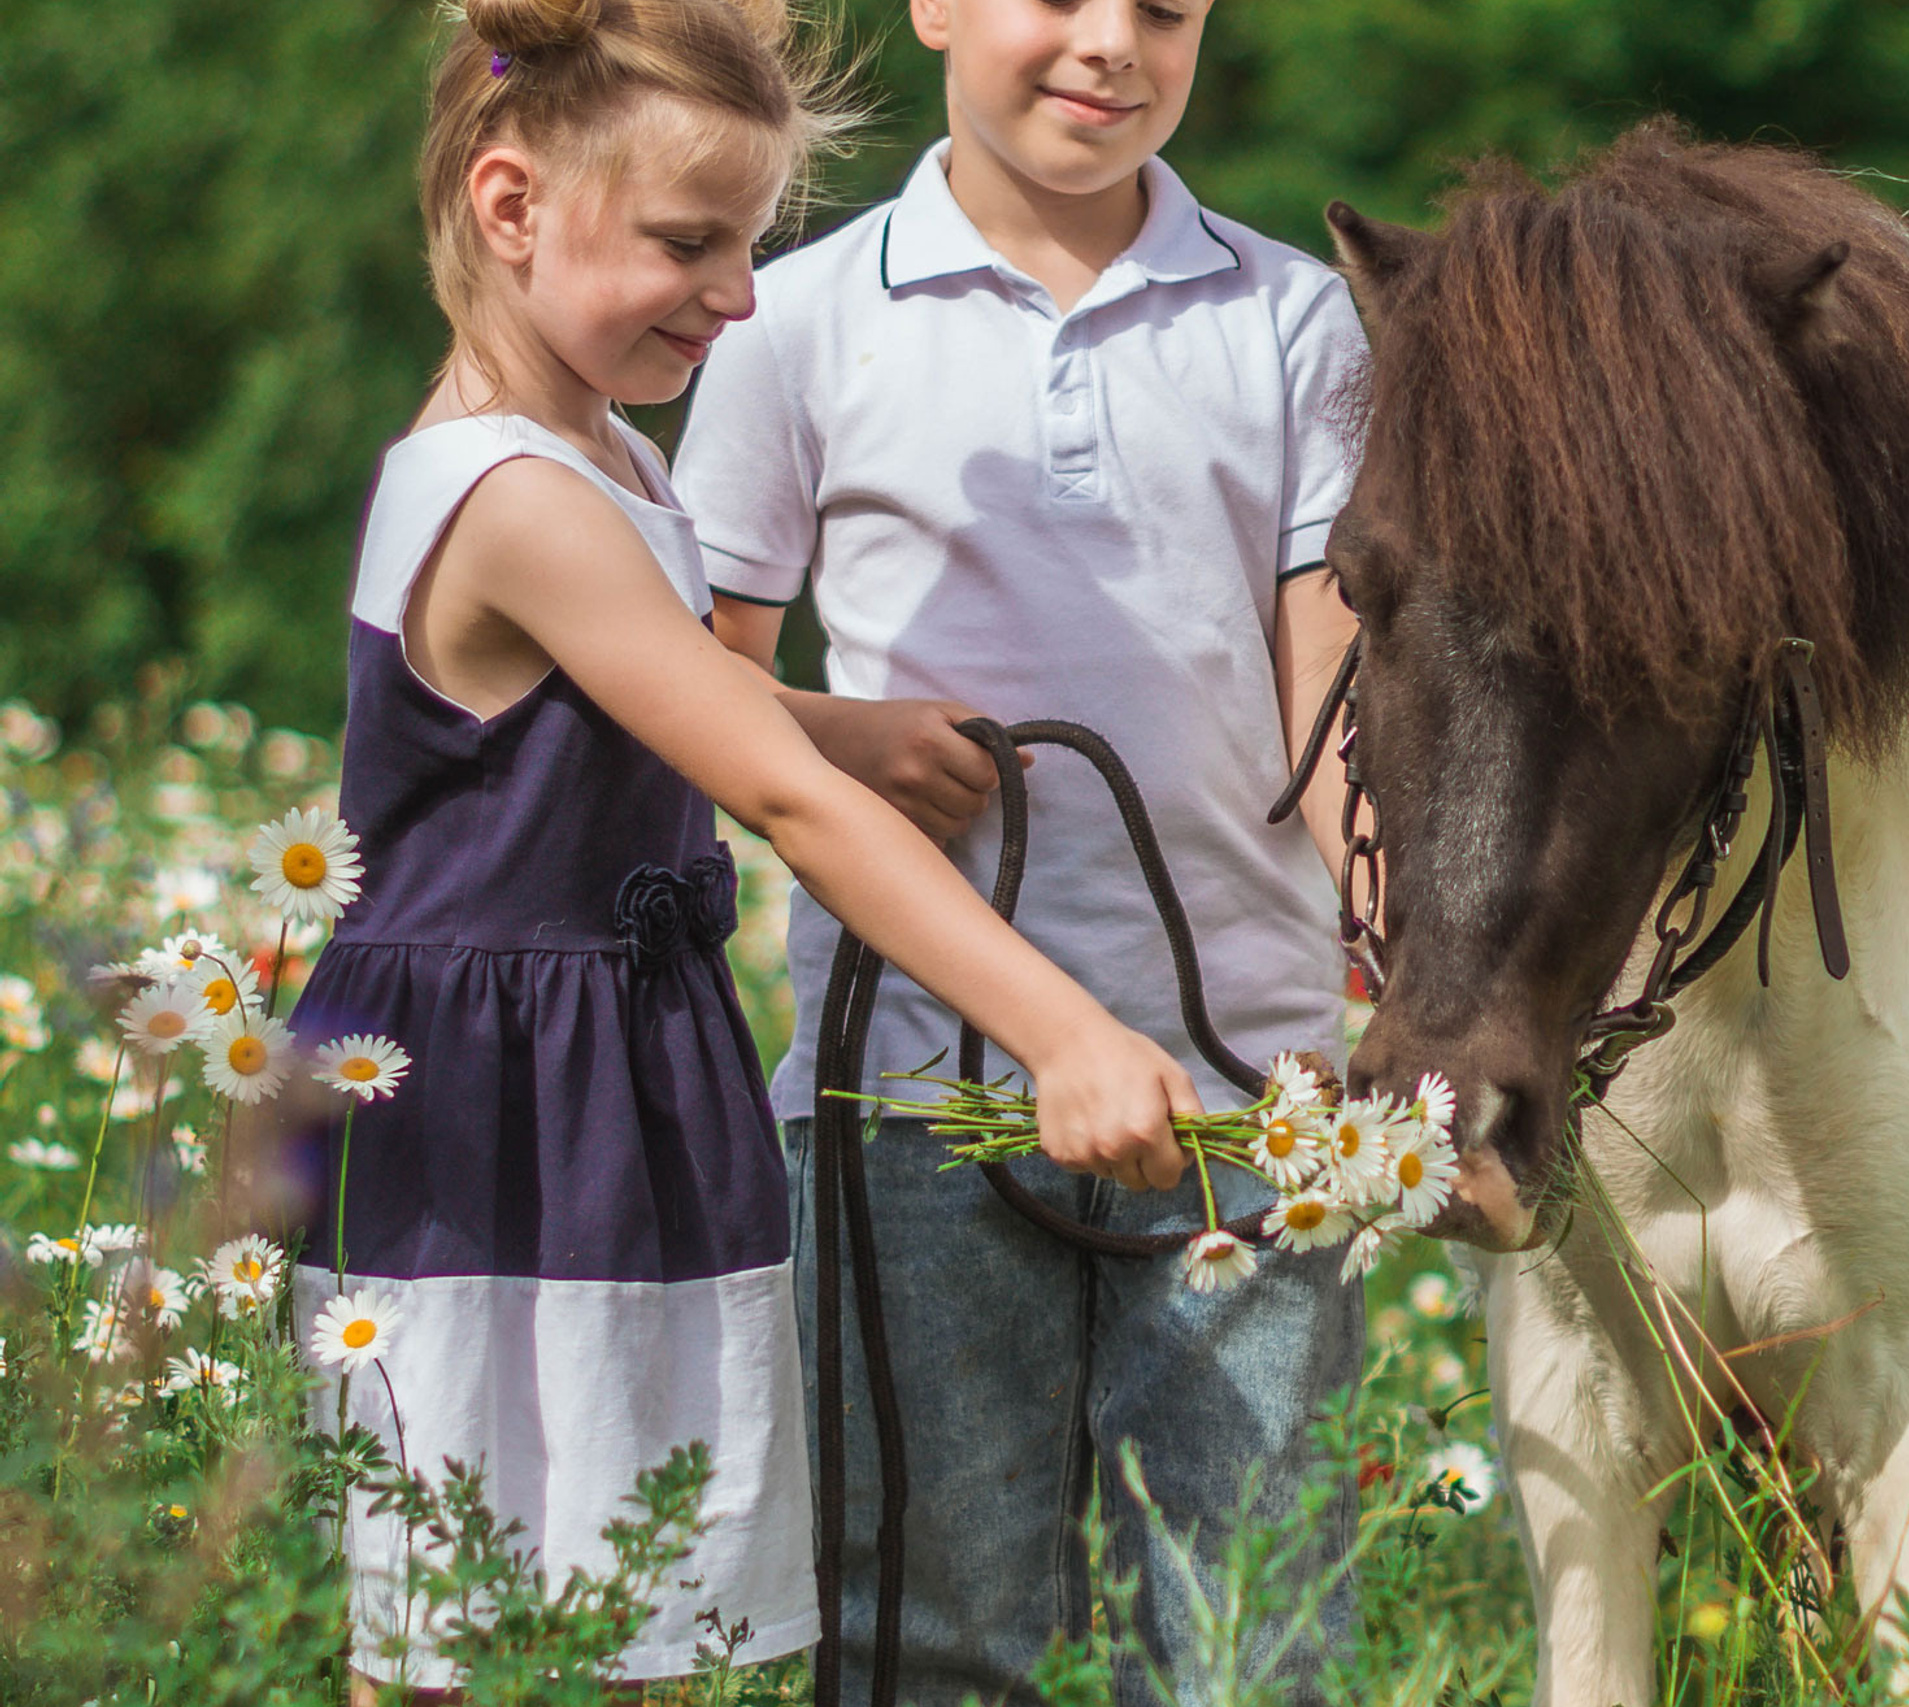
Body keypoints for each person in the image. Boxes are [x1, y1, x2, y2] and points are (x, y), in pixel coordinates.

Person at [291, 0, 1206, 1694]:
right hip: (501, 1111)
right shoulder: (515, 496)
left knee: (627, 1595)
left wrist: (845, 722)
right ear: (510, 208)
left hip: (611, 1074)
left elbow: (681, 702)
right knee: (467, 1612)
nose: (738, 294)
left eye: (757, 243)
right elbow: (779, 808)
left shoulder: (606, 454)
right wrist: (1062, 1028)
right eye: (689, 244)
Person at [671, 0, 1369, 1698]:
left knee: (1252, 1644)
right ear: (933, 9)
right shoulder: (795, 320)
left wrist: (1411, 970)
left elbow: (1335, 700)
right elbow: (701, 695)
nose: (1112, 44)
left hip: (1243, 1087)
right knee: (932, 1633)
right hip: (917, 1089)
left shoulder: (1295, 317)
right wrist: (855, 737)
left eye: (1167, 10)